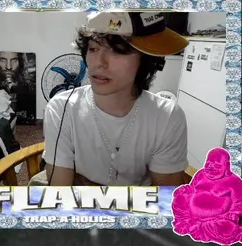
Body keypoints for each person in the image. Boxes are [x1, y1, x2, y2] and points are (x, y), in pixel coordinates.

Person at [40, 11, 190, 187]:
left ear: (147, 61)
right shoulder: (61, 108)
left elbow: (166, 197)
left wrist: (91, 187)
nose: (99, 62)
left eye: (117, 51)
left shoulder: (167, 117)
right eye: (93, 49)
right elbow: (61, 195)